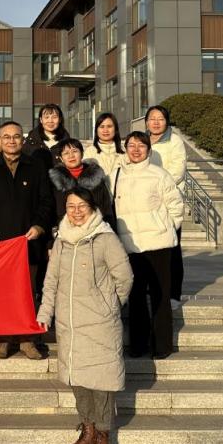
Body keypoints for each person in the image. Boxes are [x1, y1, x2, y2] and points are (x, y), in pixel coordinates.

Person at [37, 187, 132, 444]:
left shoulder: (105, 238)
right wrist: (45, 311)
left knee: (100, 382)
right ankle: (87, 429)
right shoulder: (62, 240)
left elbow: (124, 277)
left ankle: (103, 435)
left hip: (99, 323)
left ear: (92, 208)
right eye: (71, 206)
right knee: (78, 379)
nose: (76, 212)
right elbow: (51, 280)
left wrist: (109, 305)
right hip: (70, 323)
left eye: (81, 206)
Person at [0, 121, 53, 360]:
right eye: (7, 137)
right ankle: (4, 339)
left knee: (28, 292)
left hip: (29, 241)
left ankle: (27, 339)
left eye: (16, 137)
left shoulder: (36, 167)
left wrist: (39, 226)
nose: (11, 141)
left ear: (22, 140)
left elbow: (46, 201)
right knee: (1, 292)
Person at [113, 131, 183, 360]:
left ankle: (162, 346)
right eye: (131, 145)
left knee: (160, 296)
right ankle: (138, 345)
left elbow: (175, 206)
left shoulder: (159, 174)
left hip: (158, 244)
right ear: (125, 149)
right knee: (135, 297)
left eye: (141, 146)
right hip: (129, 245)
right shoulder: (115, 176)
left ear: (148, 150)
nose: (136, 150)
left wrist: (166, 227)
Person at [145, 105, 188, 311]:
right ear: (146, 122)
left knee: (172, 249)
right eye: (152, 118)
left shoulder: (175, 141)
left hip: (168, 202)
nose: (156, 122)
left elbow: (177, 170)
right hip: (146, 203)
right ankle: (150, 289)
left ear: (166, 121)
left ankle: (173, 294)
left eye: (160, 119)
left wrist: (155, 186)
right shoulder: (142, 140)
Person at [47, 138, 114, 231]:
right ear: (61, 158)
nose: (71, 156)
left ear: (82, 154)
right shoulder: (54, 181)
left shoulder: (96, 178)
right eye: (66, 153)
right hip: (66, 231)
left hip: (95, 229)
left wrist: (111, 230)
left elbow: (106, 208)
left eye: (75, 151)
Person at [85, 112, 125, 192]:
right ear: (96, 130)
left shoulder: (125, 152)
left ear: (115, 129)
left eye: (109, 126)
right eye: (102, 127)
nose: (105, 130)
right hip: (97, 195)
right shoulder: (90, 152)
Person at [22, 103, 68, 171]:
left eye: (54, 117)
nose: (50, 121)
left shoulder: (67, 143)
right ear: (41, 120)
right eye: (46, 117)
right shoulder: (29, 142)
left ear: (60, 119)